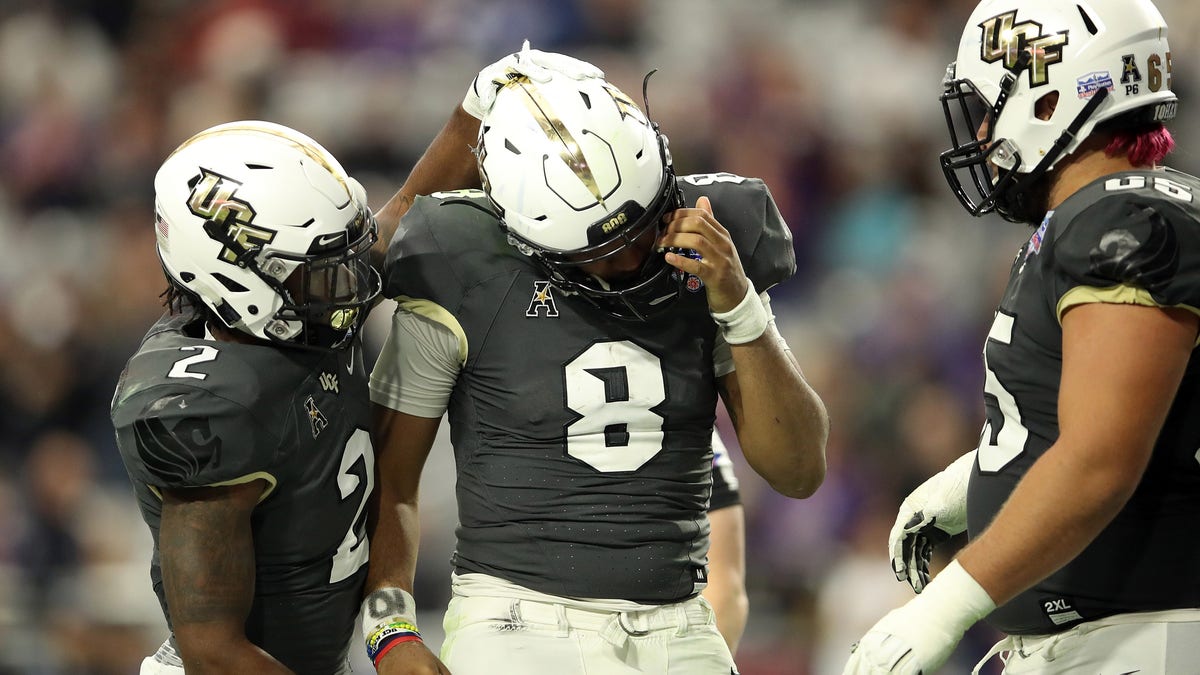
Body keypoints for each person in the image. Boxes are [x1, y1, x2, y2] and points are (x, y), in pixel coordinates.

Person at [359, 48, 829, 674]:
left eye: (643, 225)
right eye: (602, 250)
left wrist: (741, 305)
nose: (633, 256)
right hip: (518, 618)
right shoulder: (461, 260)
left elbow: (799, 471)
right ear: (520, 233)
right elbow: (393, 479)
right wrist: (387, 629)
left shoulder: (718, 239)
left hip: (682, 618)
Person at [844, 0, 1200, 673]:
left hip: (1136, 641)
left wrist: (944, 605)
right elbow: (1118, 419)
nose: (981, 132)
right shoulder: (1103, 214)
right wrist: (981, 477)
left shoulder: (1124, 222)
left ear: (1049, 100)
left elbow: (1101, 458)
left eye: (990, 107)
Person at [111, 120, 383, 674]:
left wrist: (475, 112)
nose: (348, 282)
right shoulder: (204, 405)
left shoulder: (301, 316)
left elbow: (391, 224)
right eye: (320, 271)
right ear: (237, 277)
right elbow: (214, 654)